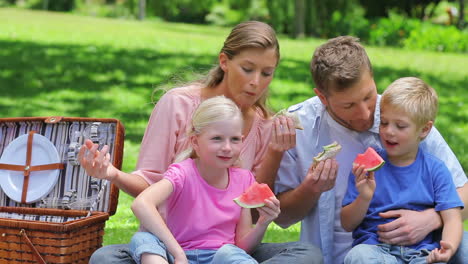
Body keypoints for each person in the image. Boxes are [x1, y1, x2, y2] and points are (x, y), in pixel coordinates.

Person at [79, 21, 321, 264]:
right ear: (224, 61)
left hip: (229, 248)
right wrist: (113, 174)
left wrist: (275, 152)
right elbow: (149, 186)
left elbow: (253, 208)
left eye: (267, 73)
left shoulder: (265, 126)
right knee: (106, 257)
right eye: (247, 69)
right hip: (167, 246)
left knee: (306, 254)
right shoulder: (177, 104)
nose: (256, 82)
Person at [268, 36, 468, 264]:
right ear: (322, 97)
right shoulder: (300, 127)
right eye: (349, 105)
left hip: (421, 251)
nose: (365, 114)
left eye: (368, 96)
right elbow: (283, 218)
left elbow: (463, 192)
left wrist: (430, 219)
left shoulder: (405, 115)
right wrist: (310, 188)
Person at [130, 96, 280, 264]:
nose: (227, 148)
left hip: (219, 257)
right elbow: (141, 204)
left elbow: (242, 246)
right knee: (143, 239)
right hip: (176, 257)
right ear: (195, 141)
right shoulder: (182, 173)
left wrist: (262, 223)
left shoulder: (244, 179)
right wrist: (178, 253)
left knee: (231, 252)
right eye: (217, 138)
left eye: (235, 139)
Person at [341, 77, 463, 264]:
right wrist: (364, 197)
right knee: (358, 256)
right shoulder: (366, 168)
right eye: (384, 122)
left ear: (424, 130)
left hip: (423, 254)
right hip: (376, 251)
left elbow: (453, 219)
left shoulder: (436, 169)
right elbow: (347, 223)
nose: (389, 131)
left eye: (400, 126)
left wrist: (448, 248)